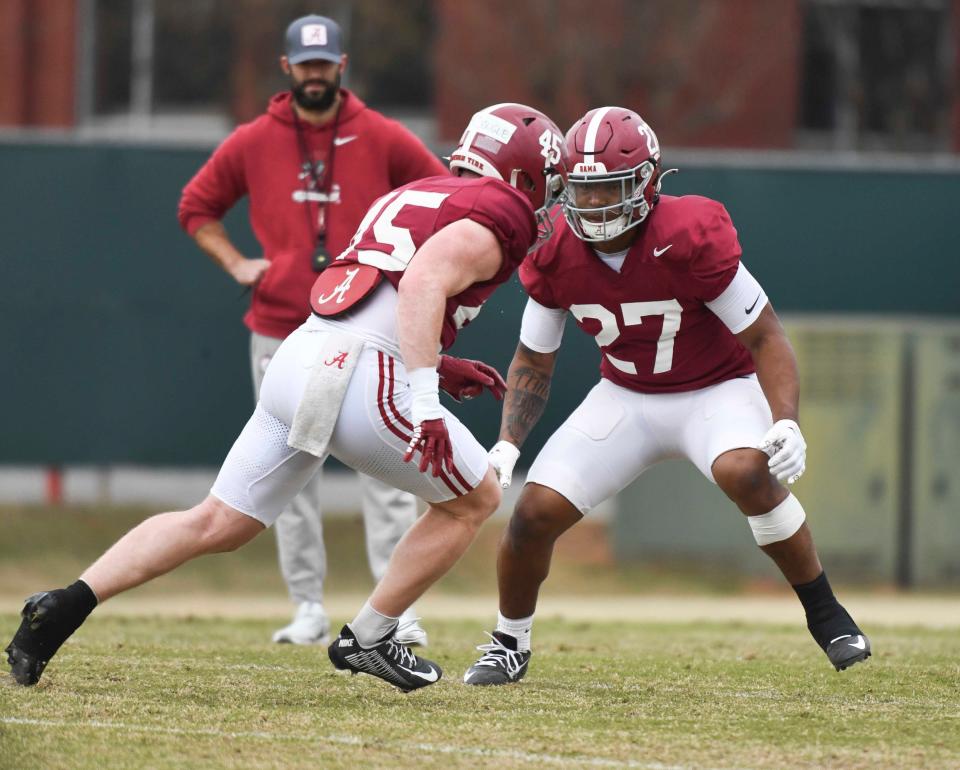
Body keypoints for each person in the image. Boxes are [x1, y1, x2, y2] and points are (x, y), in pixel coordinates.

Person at [6, 102, 569, 693]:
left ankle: (64, 604)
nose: (545, 201)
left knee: (217, 520)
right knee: (474, 497)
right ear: (524, 176)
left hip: (301, 355)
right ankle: (372, 637)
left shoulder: (418, 193)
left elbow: (381, 291)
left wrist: (440, 361)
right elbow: (424, 282)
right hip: (357, 374)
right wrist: (426, 401)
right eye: (544, 186)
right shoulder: (502, 209)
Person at [462, 106, 871, 686]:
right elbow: (533, 358)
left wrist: (786, 421)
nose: (596, 206)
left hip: (715, 389)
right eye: (584, 190)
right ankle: (508, 643)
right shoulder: (552, 247)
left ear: (648, 184)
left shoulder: (689, 234)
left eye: (611, 190)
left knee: (749, 474)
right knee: (531, 515)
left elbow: (765, 335)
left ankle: (827, 614)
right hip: (624, 395)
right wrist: (507, 445)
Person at [177, 14, 448, 646]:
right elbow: (197, 207)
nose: (315, 76)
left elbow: (442, 195)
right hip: (280, 324)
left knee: (387, 469)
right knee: (287, 473)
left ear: (342, 66)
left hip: (362, 328)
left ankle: (396, 612)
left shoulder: (380, 135)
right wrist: (239, 263)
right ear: (288, 68)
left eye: (325, 66)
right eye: (306, 65)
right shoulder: (253, 140)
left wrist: (410, 272)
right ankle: (307, 606)